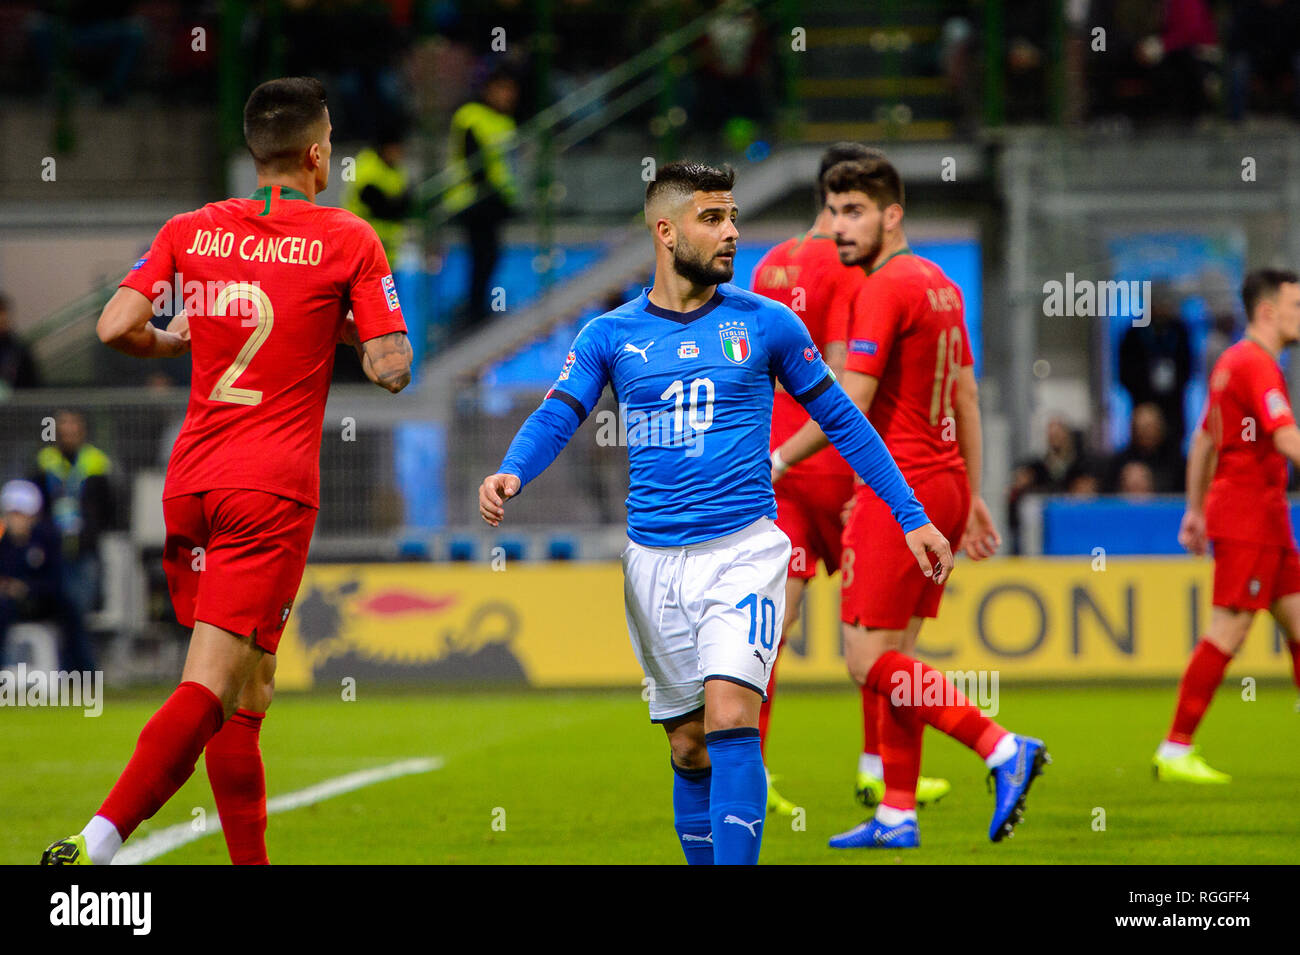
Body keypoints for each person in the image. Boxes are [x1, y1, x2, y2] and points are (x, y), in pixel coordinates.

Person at [478, 161, 955, 865]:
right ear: (665, 231)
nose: (731, 232)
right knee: (688, 741)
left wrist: (910, 514)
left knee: (733, 714)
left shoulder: (766, 323)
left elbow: (846, 420)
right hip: (653, 565)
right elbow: (560, 411)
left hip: (745, 551)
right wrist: (513, 469)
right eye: (712, 219)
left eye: (732, 216)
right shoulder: (611, 334)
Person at [41, 76, 413, 866]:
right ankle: (97, 841)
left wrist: (175, 343)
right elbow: (391, 367)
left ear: (254, 153)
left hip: (194, 485)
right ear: (317, 153)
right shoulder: (348, 237)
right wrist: (351, 329)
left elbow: (114, 325)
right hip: (268, 490)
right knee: (211, 688)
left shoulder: (192, 228)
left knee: (250, 691)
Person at [772, 156, 1048, 849]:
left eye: (854, 211)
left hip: (900, 489)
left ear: (892, 215)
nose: (839, 227)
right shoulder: (942, 286)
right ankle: (897, 812)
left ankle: (1000, 746)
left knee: (868, 661)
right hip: (945, 483)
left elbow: (846, 405)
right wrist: (974, 494)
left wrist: (776, 458)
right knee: (897, 654)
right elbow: (966, 397)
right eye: (833, 211)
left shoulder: (882, 289)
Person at [749, 141, 876, 817]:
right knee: (878, 624)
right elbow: (842, 384)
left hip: (778, 464)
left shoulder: (769, 263)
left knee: (774, 625)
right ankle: (879, 768)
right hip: (839, 465)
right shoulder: (852, 268)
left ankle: (754, 771)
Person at [1162, 268, 1300, 783]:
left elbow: (1203, 441)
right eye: (1297, 304)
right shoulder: (1258, 364)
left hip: (1258, 513)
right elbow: (1286, 439)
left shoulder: (1230, 363)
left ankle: (1176, 746)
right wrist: (1202, 509)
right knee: (1232, 626)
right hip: (1249, 515)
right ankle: (1176, 746)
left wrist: (1195, 510)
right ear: (1267, 311)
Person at [32, 409, 111, 673]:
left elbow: (110, 505)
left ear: (83, 430)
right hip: (54, 550)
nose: (68, 432)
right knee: (65, 609)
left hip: (85, 548)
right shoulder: (45, 462)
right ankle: (77, 669)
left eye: (73, 426)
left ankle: (81, 669)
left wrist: (93, 531)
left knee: (80, 609)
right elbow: (37, 504)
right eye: (63, 427)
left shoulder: (96, 462)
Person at [444, 69, 519, 330]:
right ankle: (474, 311)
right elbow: (473, 162)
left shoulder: (504, 121)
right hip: (474, 200)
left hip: (494, 202)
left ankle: (477, 308)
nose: (509, 96)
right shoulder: (471, 116)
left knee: (490, 255)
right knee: (482, 254)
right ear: (490, 89)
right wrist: (493, 193)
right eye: (504, 89)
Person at [1119, 284, 1192, 447]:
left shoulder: (1179, 331)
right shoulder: (1134, 333)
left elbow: (1187, 368)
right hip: (1143, 400)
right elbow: (1125, 372)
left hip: (1172, 405)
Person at [0, 480, 62, 667]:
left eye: (21, 514)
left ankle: (80, 670)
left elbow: (55, 582)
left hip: (37, 602)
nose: (16, 520)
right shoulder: (3, 543)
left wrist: (25, 588)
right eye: (12, 514)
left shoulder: (46, 540)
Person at [342, 111, 417, 265]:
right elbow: (381, 207)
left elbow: (406, 202)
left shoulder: (395, 169)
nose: (399, 153)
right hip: (365, 248)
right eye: (396, 148)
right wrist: (397, 204)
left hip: (388, 251)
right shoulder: (366, 167)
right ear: (385, 147)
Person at [1105, 402, 1185, 493]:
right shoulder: (1120, 462)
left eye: (1150, 427)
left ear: (1161, 428)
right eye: (1141, 428)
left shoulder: (1175, 461)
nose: (1146, 433)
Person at [0, 292, 41, 393]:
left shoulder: (19, 350)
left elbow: (33, 383)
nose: (2, 318)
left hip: (16, 405)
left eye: (3, 312)